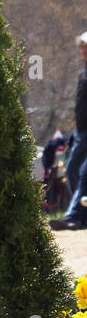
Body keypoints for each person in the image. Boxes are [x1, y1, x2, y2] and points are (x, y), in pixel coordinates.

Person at [52, 31, 87, 229]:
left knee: (84, 172)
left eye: (85, 47)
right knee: (72, 169)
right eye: (81, 47)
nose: (83, 51)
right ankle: (82, 214)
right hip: (81, 132)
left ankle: (73, 215)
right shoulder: (84, 72)